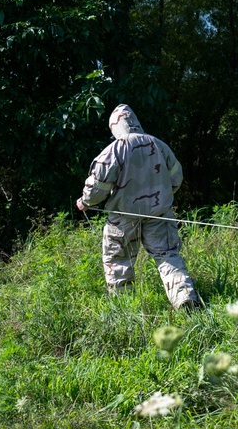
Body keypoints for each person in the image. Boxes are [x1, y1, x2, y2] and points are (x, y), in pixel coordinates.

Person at [76, 104, 203, 310]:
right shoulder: (159, 145)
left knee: (118, 261)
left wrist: (85, 201)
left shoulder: (115, 149)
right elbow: (176, 178)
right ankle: (185, 299)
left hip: (122, 220)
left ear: (115, 127)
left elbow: (97, 186)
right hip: (159, 214)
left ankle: (125, 309)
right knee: (168, 256)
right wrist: (160, 199)